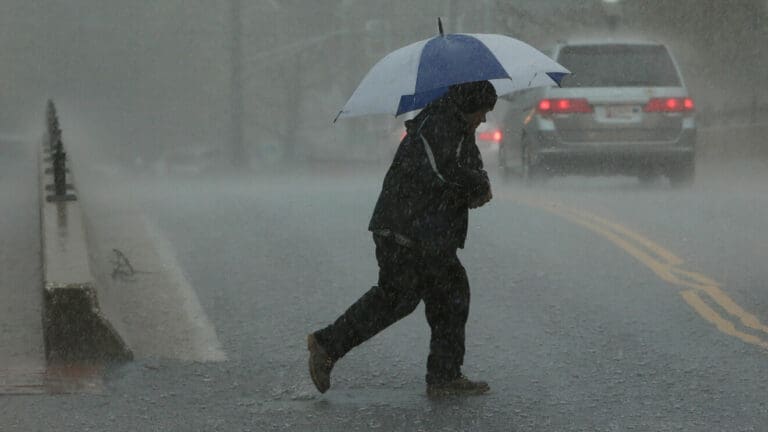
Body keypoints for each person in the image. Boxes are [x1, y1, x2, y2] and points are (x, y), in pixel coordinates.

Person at [307, 80, 497, 397]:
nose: (484, 119)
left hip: (426, 232)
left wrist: (480, 185)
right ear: (469, 105)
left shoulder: (458, 126)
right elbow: (443, 171)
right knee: (401, 297)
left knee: (446, 295)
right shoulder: (437, 122)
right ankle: (327, 344)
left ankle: (443, 376)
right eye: (482, 112)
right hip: (405, 229)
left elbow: (470, 167)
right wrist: (474, 187)